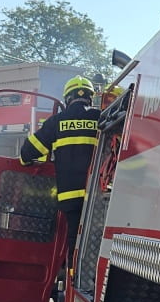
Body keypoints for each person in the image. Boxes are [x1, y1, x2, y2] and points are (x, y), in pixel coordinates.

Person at [20, 74, 100, 274]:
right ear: (90, 97)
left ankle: (74, 277)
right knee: (97, 240)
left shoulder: (57, 121)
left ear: (67, 98)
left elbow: (27, 153)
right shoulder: (101, 118)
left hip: (70, 197)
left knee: (75, 240)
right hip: (98, 197)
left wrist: (26, 161)